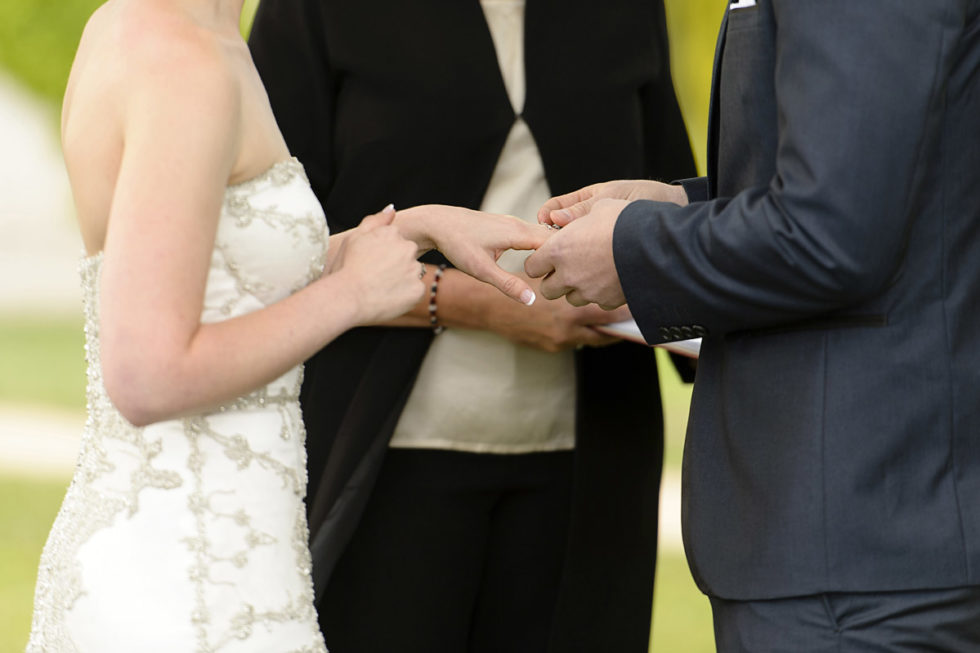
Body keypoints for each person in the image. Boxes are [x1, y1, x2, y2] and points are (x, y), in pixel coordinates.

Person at [25, 0, 550, 650]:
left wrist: (407, 230)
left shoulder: (175, 30)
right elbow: (145, 373)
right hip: (191, 576)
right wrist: (353, 296)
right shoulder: (182, 62)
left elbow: (227, 272)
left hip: (219, 549)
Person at [525, 0, 980, 650]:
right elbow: (876, 175)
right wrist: (680, 202)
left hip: (853, 539)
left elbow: (832, 234)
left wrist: (633, 248)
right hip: (834, 534)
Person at [247, 0, 696, 650]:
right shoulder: (318, 11)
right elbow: (267, 242)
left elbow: (676, 206)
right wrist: (482, 304)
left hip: (591, 469)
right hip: (387, 459)